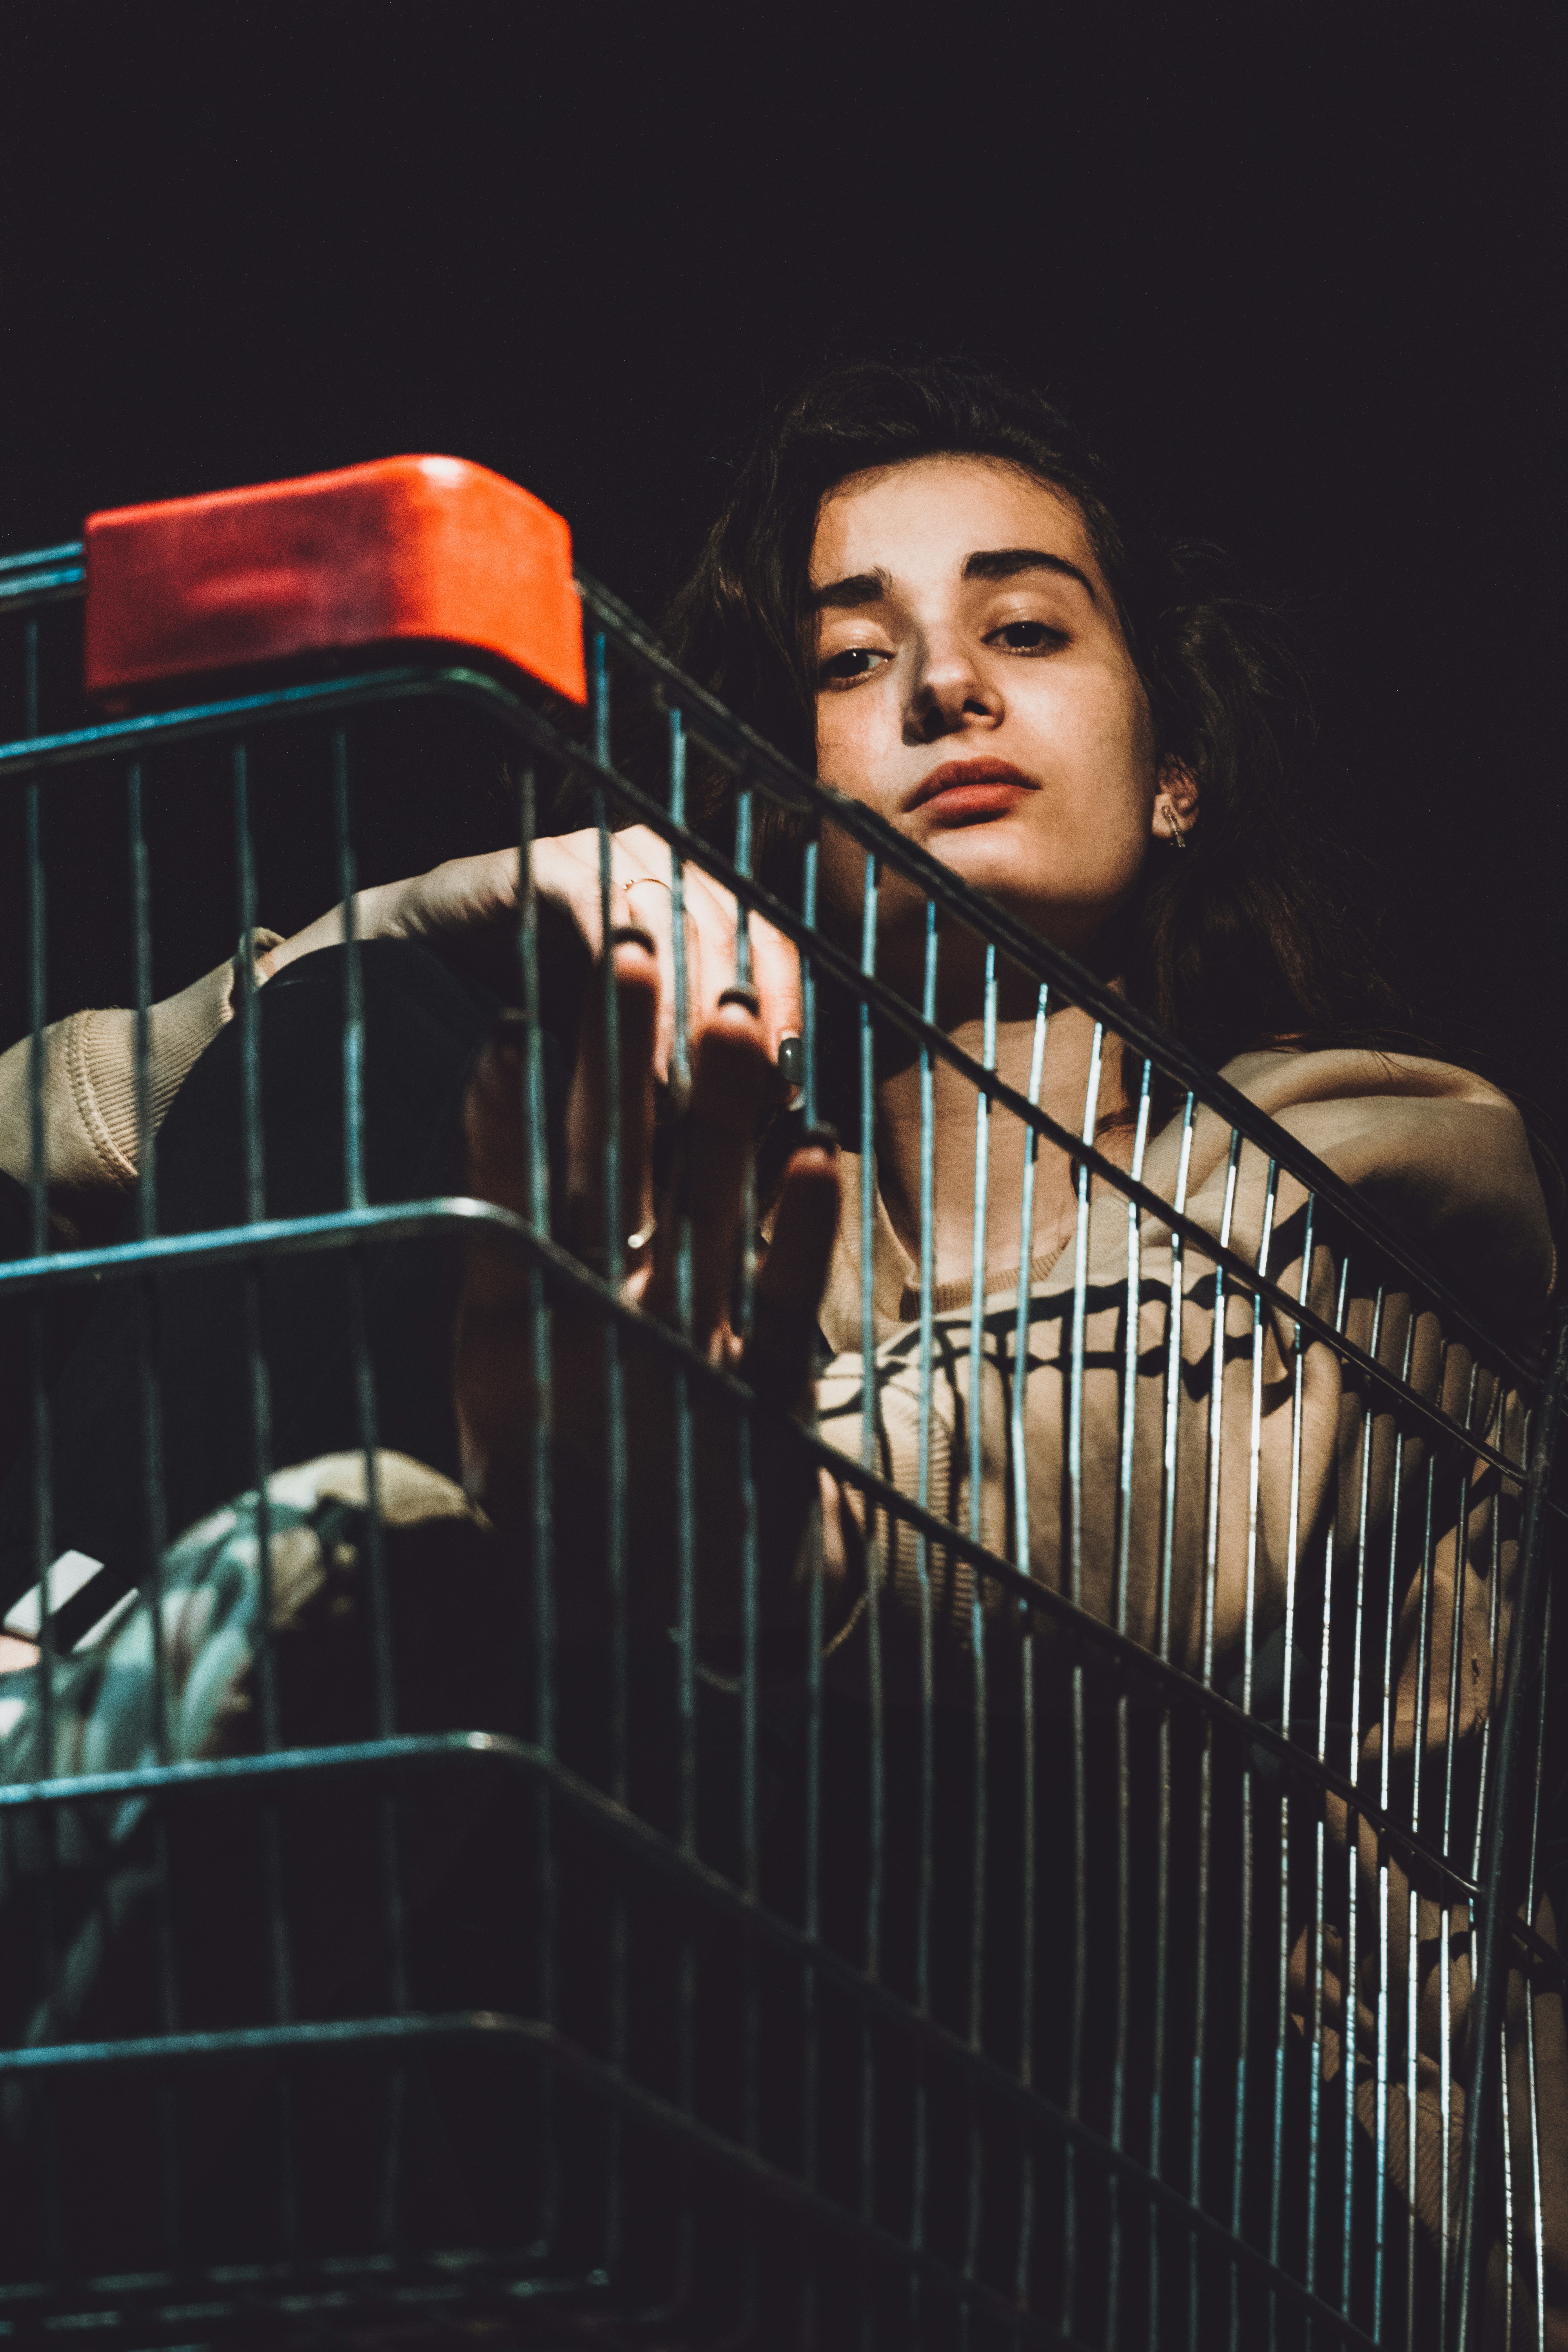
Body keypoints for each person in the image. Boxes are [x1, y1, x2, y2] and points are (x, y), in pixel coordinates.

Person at [0, 357, 1561, 2337]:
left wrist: (719, 1498)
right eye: (850, 660)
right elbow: (64, 1126)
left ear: (1174, 768)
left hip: (1246, 2158)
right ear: (787, 790)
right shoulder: (736, 1198)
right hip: (804, 2096)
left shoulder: (1373, 1159)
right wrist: (446, 904)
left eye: (1023, 626)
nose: (944, 693)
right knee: (373, 1064)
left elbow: (1079, 1516)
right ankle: (66, 1716)